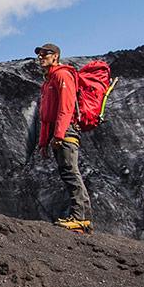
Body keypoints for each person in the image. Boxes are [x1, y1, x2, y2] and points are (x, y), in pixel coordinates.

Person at [33, 42, 91, 232]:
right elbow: (46, 115)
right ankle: (79, 217)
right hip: (57, 132)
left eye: (45, 54)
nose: (41, 57)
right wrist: (43, 142)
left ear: (55, 56)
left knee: (70, 171)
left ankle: (80, 217)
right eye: (39, 54)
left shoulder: (62, 75)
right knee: (67, 172)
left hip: (66, 131)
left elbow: (65, 108)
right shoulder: (48, 81)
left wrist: (58, 134)